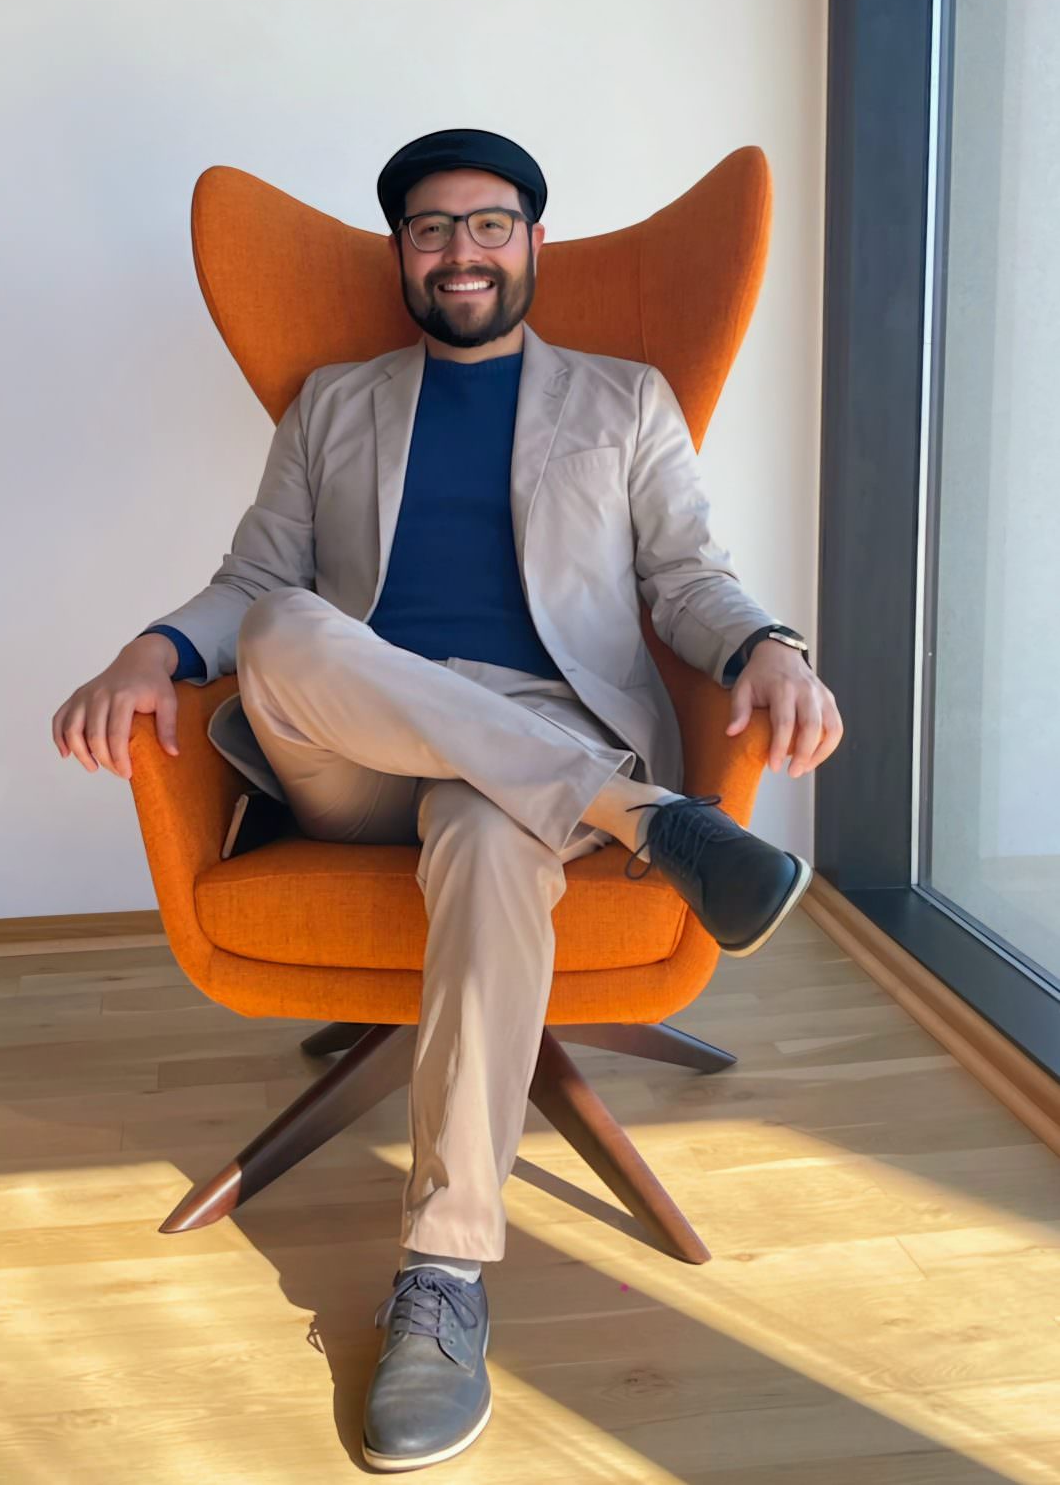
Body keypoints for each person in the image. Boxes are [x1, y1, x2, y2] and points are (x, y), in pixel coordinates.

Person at [50, 127, 843, 1472]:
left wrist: (770, 645)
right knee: (295, 625)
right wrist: (150, 649)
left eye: (487, 226)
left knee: (491, 829)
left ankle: (443, 1278)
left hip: (532, 738)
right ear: (401, 257)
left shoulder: (623, 397)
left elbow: (687, 579)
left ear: (532, 243)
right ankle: (644, 819)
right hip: (351, 748)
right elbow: (251, 590)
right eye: (430, 230)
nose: (459, 251)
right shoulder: (335, 404)